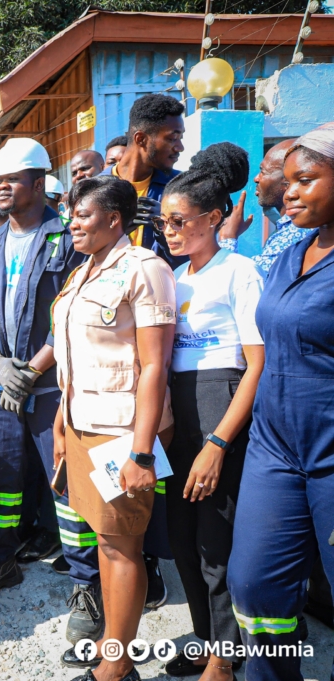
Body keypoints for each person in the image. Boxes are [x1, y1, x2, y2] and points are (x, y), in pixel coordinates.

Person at [52, 176, 176, 681]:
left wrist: (141, 453)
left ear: (113, 219)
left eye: (83, 214)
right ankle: (112, 644)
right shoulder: (83, 272)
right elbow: (73, 359)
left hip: (122, 433)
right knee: (104, 539)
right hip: (83, 424)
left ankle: (115, 667)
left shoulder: (145, 269)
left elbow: (155, 367)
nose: (73, 223)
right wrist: (62, 424)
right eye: (72, 215)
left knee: (122, 544)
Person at [226, 127, 334, 681]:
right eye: (287, 181)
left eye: (306, 180)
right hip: (274, 450)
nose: (289, 192)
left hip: (330, 455)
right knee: (255, 582)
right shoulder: (290, 251)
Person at [0, 138, 85, 612]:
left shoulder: (68, 237)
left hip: (51, 387)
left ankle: (86, 582)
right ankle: (2, 559)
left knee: (64, 480)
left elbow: (72, 314)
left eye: (11, 180)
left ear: (38, 184)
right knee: (5, 476)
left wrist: (32, 370)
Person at [156, 143, 262, 681]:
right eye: (164, 222)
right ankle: (205, 639)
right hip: (179, 410)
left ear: (215, 218)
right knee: (181, 539)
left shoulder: (238, 272)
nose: (170, 231)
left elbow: (256, 365)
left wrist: (219, 444)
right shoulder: (176, 278)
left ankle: (226, 653)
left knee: (214, 542)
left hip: (220, 404)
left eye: (180, 221)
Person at [104, 94, 187, 267]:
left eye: (180, 138)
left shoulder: (181, 188)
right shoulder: (94, 190)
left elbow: (189, 261)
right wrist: (115, 236)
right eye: (172, 138)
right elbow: (77, 259)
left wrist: (166, 226)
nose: (180, 147)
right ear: (141, 139)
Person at [218, 139, 311, 276]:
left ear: (288, 179)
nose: (257, 178)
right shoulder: (288, 227)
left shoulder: (296, 232)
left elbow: (250, 283)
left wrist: (228, 238)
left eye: (263, 171)